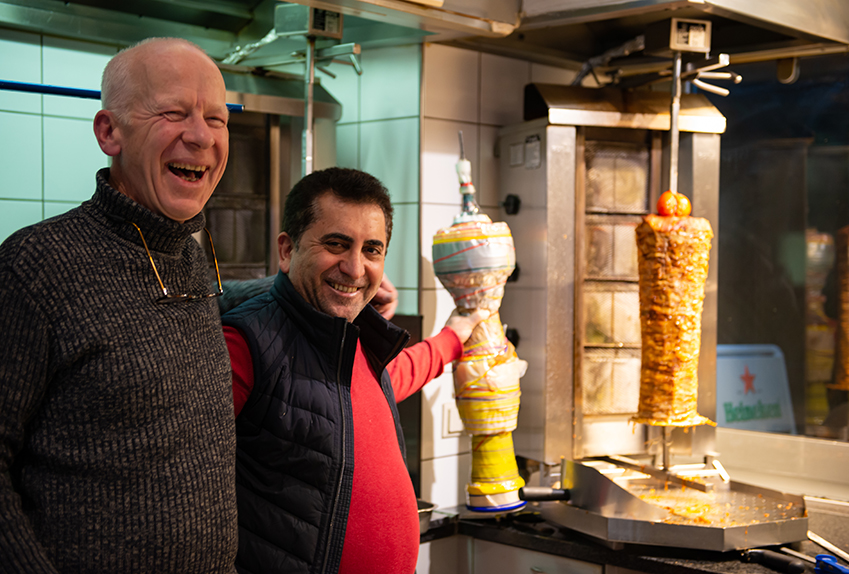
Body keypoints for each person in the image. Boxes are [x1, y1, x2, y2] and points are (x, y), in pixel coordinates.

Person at [0, 38, 237, 573]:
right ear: (109, 132)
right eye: (173, 113)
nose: (200, 135)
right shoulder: (36, 264)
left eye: (217, 119)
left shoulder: (191, 258)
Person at [221, 167, 487, 574]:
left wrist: (454, 337)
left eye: (371, 250)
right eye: (336, 244)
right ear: (287, 250)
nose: (355, 268)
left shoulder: (355, 340)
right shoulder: (244, 343)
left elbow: (394, 380)